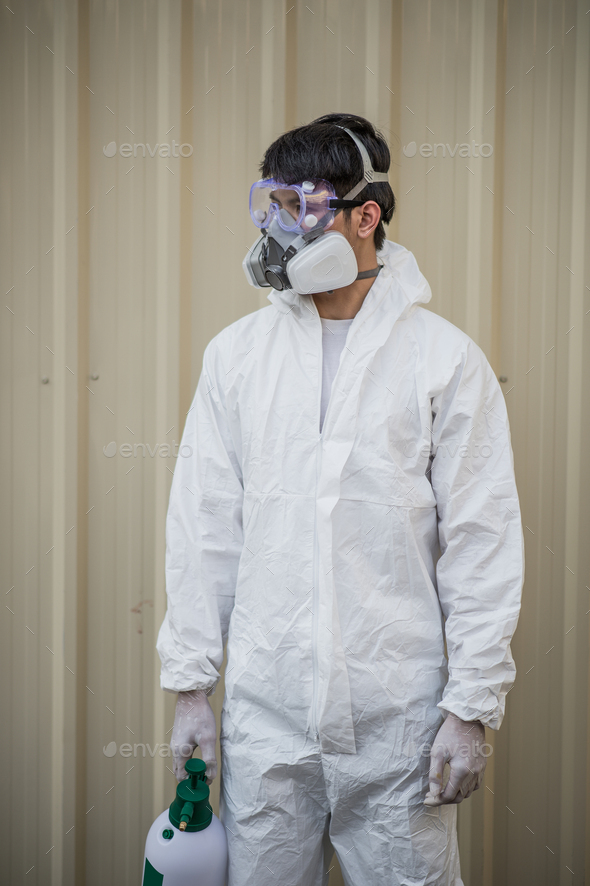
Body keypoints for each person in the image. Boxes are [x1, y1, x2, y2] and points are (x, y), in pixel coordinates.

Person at [156, 112, 524, 886]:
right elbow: (203, 527)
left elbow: (484, 542)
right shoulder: (237, 358)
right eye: (276, 207)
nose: (286, 229)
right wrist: (193, 685)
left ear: (367, 216)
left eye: (308, 208)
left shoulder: (444, 362)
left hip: (400, 725)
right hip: (269, 717)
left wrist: (471, 705)